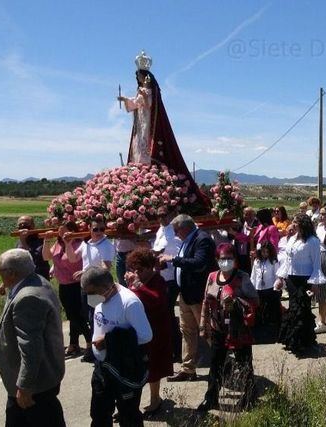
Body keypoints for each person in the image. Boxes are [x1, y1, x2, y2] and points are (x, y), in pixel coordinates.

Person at [117, 51, 210, 210]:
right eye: (138, 77)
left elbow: (147, 103)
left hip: (149, 125)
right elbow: (135, 104)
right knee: (138, 149)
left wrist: (142, 95)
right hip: (141, 125)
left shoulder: (150, 91)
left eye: (140, 76)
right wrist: (126, 100)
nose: (139, 79)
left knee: (147, 149)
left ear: (145, 77)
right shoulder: (141, 92)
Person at [0, 249, 66, 427]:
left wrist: (25, 386)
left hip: (33, 387)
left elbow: (31, 347)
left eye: (0, 272)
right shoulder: (37, 281)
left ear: (12, 274)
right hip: (39, 383)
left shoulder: (27, 298)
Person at [82, 266, 152, 427]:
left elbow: (145, 335)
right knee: (99, 413)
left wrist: (107, 341)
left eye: (92, 293)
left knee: (128, 415)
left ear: (106, 287)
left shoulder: (129, 302)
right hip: (102, 368)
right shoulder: (101, 298)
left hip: (124, 368)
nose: (89, 297)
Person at [197, 243, 259, 412]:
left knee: (244, 363)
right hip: (218, 328)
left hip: (238, 330)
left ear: (235, 260)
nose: (226, 262)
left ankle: (250, 397)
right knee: (215, 364)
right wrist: (203, 325)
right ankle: (211, 398)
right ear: (217, 260)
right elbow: (205, 302)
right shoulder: (211, 277)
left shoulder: (242, 277)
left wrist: (237, 302)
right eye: (222, 259)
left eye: (229, 258)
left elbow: (255, 300)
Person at [159, 214, 215, 382]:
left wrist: (174, 260)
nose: (175, 234)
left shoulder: (202, 239)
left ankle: (224, 364)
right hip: (186, 294)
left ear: (184, 228)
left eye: (176, 230)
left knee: (208, 332)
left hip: (199, 295)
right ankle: (188, 369)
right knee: (187, 331)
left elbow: (199, 263)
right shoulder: (189, 238)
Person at [125, 248, 173, 417]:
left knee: (154, 366)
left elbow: (157, 300)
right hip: (141, 328)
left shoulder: (158, 280)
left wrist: (138, 286)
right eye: (134, 269)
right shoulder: (137, 280)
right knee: (140, 366)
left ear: (150, 267)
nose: (138, 273)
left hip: (157, 329)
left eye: (141, 270)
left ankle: (155, 400)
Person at [65, 218, 116, 363]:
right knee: (89, 317)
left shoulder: (106, 245)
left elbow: (105, 267)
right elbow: (73, 258)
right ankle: (95, 349)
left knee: (97, 318)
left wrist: (86, 272)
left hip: (98, 288)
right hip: (87, 286)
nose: (99, 232)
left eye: (102, 229)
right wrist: (68, 244)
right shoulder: (85, 244)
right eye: (95, 229)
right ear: (89, 229)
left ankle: (97, 351)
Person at [275, 213, 325, 354]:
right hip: (292, 279)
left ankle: (306, 341)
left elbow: (316, 264)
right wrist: (280, 278)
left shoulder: (313, 241)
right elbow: (287, 260)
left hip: (305, 280)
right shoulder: (292, 239)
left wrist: (315, 283)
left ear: (302, 224)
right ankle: (293, 340)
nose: (293, 224)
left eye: (296, 222)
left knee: (303, 309)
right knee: (293, 308)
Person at [43, 221, 89, 357]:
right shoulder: (58, 244)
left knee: (76, 315)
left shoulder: (79, 244)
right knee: (71, 315)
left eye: (64, 231)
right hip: (63, 284)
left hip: (76, 284)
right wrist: (46, 241)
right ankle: (74, 343)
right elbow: (46, 257)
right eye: (60, 231)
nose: (61, 234)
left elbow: (72, 259)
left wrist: (68, 242)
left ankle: (90, 340)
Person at [152, 206, 183, 362]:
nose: (161, 218)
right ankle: (171, 347)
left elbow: (178, 254)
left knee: (168, 313)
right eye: (158, 215)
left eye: (164, 215)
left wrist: (165, 259)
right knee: (164, 313)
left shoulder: (173, 231)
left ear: (171, 214)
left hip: (171, 278)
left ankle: (176, 350)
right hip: (160, 277)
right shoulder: (161, 230)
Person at [251, 241, 282, 338]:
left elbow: (277, 275)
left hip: (270, 290)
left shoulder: (273, 262)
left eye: (267, 252)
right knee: (260, 311)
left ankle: (273, 332)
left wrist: (276, 287)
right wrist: (252, 290)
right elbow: (253, 276)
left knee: (271, 311)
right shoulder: (257, 261)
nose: (265, 254)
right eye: (263, 252)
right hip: (259, 289)